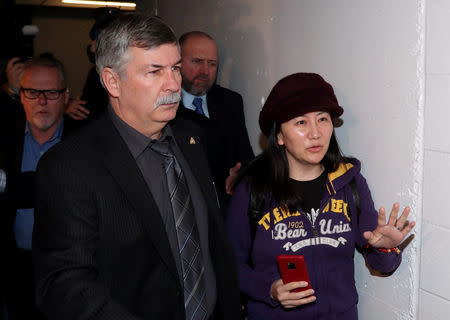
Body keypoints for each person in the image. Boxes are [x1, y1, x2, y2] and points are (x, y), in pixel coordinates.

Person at [33, 14, 241, 320]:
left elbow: (211, 243)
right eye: (154, 71)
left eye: (175, 68)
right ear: (112, 81)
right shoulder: (69, 167)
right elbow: (65, 286)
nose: (174, 84)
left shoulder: (192, 138)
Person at [225, 73, 415, 320]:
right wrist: (268, 290)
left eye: (322, 119)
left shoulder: (350, 183)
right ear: (279, 136)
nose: (315, 133)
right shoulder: (254, 190)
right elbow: (229, 266)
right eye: (301, 123)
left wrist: (388, 250)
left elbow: (383, 265)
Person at [0, 55, 71, 320]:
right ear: (20, 96)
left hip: (69, 274)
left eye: (51, 93)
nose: (41, 101)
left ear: (66, 96)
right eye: (32, 92)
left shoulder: (87, 141)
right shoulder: (4, 139)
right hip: (14, 269)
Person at [177, 31, 254, 201]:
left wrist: (239, 177)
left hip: (225, 208)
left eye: (212, 64)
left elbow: (246, 159)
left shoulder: (230, 102)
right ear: (177, 62)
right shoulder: (166, 105)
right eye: (197, 61)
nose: (205, 71)